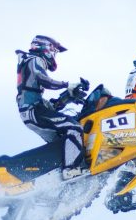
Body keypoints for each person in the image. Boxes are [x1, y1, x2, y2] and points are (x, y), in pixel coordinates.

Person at [16, 35, 87, 179]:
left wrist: (69, 96)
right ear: (46, 47)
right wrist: (67, 85)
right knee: (75, 128)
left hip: (31, 111)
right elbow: (44, 80)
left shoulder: (28, 64)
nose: (54, 55)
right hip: (33, 110)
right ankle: (71, 169)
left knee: (62, 141)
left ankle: (58, 173)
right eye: (54, 51)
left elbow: (52, 106)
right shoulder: (34, 60)